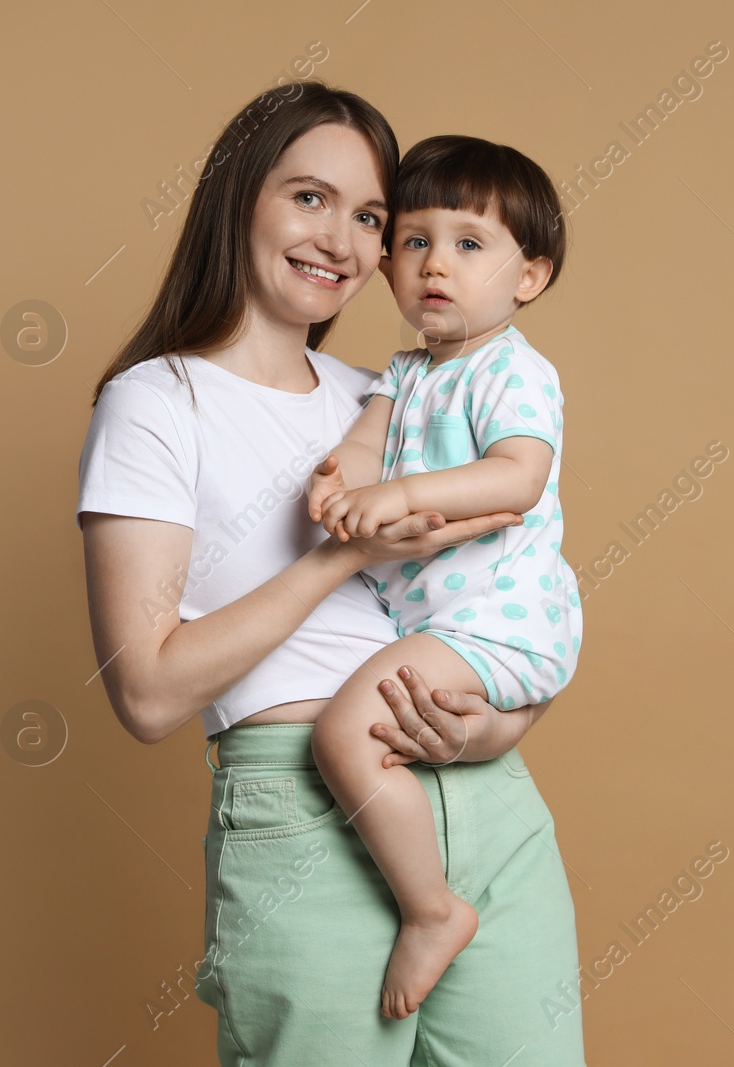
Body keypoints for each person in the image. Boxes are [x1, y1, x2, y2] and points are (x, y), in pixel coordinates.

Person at [76, 80, 586, 1066]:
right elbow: (145, 693)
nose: (341, 242)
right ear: (238, 198)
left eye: (369, 217)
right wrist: (343, 555)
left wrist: (498, 726)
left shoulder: (403, 388)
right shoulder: (155, 402)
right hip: (302, 807)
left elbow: (507, 587)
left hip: (485, 795)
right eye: (309, 198)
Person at [303, 133, 581, 1020]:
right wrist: (339, 478)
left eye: (469, 244)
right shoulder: (405, 371)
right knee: (372, 737)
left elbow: (518, 476)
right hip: (443, 621)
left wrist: (410, 491)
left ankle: (433, 909)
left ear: (527, 278)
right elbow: (363, 440)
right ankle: (430, 893)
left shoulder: (514, 370)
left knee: (344, 736)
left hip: (498, 620)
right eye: (414, 241)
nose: (435, 264)